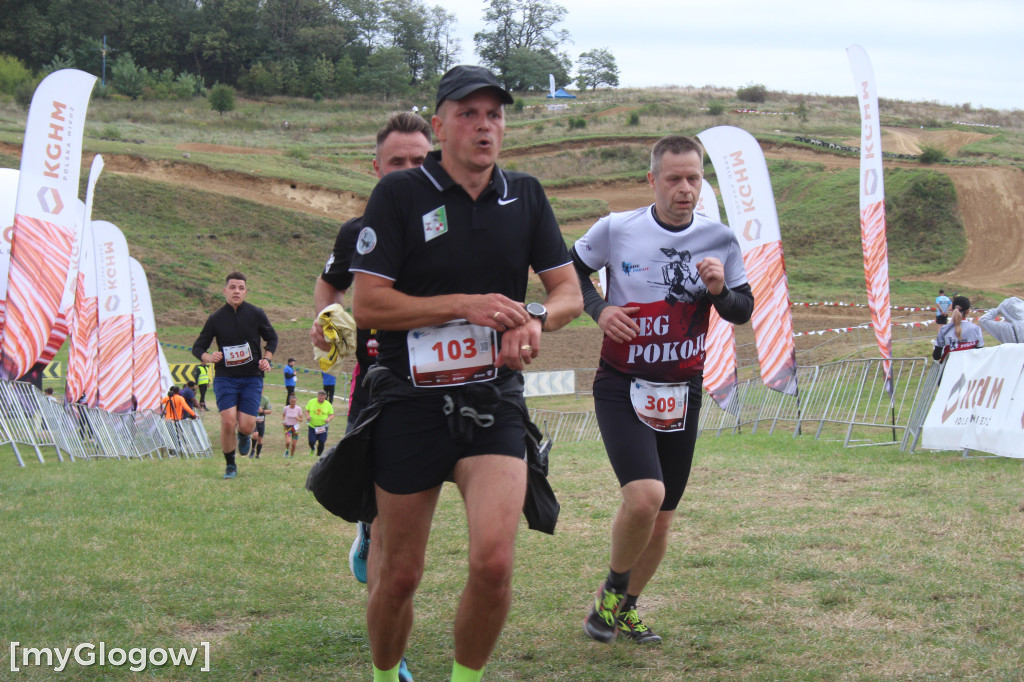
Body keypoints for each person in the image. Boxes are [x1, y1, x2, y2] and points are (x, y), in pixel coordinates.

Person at [348, 65, 582, 682]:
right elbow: (368, 306)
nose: (484, 126)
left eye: (494, 115)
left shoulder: (525, 195)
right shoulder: (400, 195)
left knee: (495, 563)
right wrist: (464, 304)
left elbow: (568, 293)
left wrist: (533, 317)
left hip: (492, 400)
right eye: (468, 114)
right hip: (410, 400)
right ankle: (383, 676)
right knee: (399, 575)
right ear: (439, 125)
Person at [573, 134, 753, 645]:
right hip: (622, 383)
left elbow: (744, 309)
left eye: (693, 178)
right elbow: (571, 270)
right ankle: (612, 590)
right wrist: (600, 309)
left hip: (682, 389)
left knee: (663, 519)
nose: (684, 188)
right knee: (645, 497)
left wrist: (719, 291)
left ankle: (624, 609)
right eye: (673, 178)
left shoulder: (719, 239)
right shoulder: (616, 229)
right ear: (652, 180)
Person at [309, 111, 433, 590]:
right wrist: (327, 320)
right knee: (391, 514)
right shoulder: (355, 232)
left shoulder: (457, 227)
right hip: (379, 384)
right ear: (376, 168)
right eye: (395, 160)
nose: (406, 169)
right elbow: (328, 285)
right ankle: (371, 526)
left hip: (445, 381)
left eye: (417, 160)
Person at [192, 271, 278, 479]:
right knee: (228, 421)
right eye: (232, 287)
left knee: (247, 426)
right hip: (225, 378)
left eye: (240, 288)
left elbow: (272, 338)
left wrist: (267, 358)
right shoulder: (216, 319)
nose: (236, 291)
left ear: (245, 291)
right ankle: (230, 465)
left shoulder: (256, 314)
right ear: (225, 291)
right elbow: (198, 347)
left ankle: (244, 435)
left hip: (252, 377)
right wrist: (208, 356)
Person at [933, 295, 984, 361]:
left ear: (952, 310)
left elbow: (936, 356)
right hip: (970, 368)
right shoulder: (976, 329)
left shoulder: (944, 329)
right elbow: (979, 352)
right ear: (968, 311)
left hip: (950, 368)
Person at [304, 390, 335, 457]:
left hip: (323, 426)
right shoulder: (311, 401)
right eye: (320, 398)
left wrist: (329, 419)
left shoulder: (328, 404)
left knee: (322, 441)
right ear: (317, 396)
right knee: (311, 441)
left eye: (323, 399)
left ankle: (318, 455)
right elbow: (306, 410)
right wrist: (308, 416)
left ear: (325, 398)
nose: (321, 400)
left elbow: (332, 414)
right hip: (312, 425)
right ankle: (312, 448)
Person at [281, 393, 303, 457]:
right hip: (287, 426)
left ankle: (292, 456)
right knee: (288, 441)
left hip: (296, 426)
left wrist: (298, 418)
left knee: (294, 444)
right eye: (292, 402)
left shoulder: (298, 408)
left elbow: (301, 419)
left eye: (294, 402)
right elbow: (283, 415)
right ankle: (287, 450)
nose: (293, 403)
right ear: (289, 401)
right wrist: (283, 421)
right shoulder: (286, 408)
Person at [252, 391, 271, 458]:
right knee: (255, 435)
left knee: (260, 440)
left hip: (261, 421)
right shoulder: (252, 397)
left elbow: (269, 411)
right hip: (253, 421)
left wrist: (262, 411)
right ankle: (253, 449)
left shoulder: (265, 399)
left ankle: (257, 455)